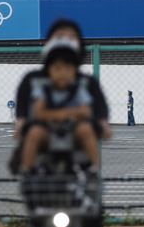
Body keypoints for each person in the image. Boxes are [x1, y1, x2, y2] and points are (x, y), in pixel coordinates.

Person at [12, 19, 110, 227]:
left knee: (92, 199)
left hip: (76, 150)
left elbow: (97, 113)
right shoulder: (34, 80)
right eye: (59, 36)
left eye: (71, 37)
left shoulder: (85, 83)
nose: (65, 40)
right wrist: (22, 123)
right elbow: (25, 112)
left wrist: (101, 123)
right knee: (34, 186)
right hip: (45, 147)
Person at [20, 37, 101, 174]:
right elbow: (38, 112)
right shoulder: (43, 89)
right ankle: (27, 170)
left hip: (72, 129)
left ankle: (94, 168)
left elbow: (86, 111)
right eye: (57, 69)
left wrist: (62, 114)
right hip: (49, 130)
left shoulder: (78, 88)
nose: (62, 73)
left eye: (68, 69)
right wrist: (65, 113)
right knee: (34, 132)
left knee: (86, 129)